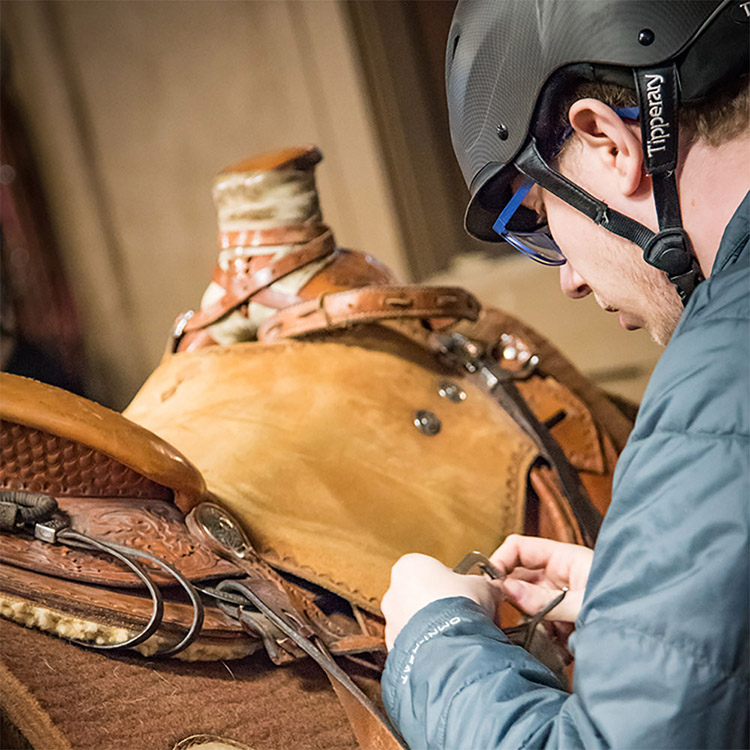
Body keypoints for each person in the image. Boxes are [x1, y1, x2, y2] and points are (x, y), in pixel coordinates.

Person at [380, 1, 749, 747]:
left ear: (608, 142)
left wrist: (431, 641)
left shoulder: (720, 374)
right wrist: (645, 609)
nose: (570, 281)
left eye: (543, 222)